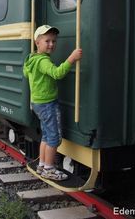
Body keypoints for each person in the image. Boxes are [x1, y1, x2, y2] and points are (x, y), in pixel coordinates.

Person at [23, 25, 82, 181]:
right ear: (37, 42)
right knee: (54, 138)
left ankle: (42, 165)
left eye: (54, 41)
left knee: (46, 136)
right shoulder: (42, 61)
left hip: (37, 103)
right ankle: (49, 169)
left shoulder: (31, 59)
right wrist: (72, 58)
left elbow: (25, 73)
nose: (51, 44)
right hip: (47, 104)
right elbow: (57, 73)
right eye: (47, 41)